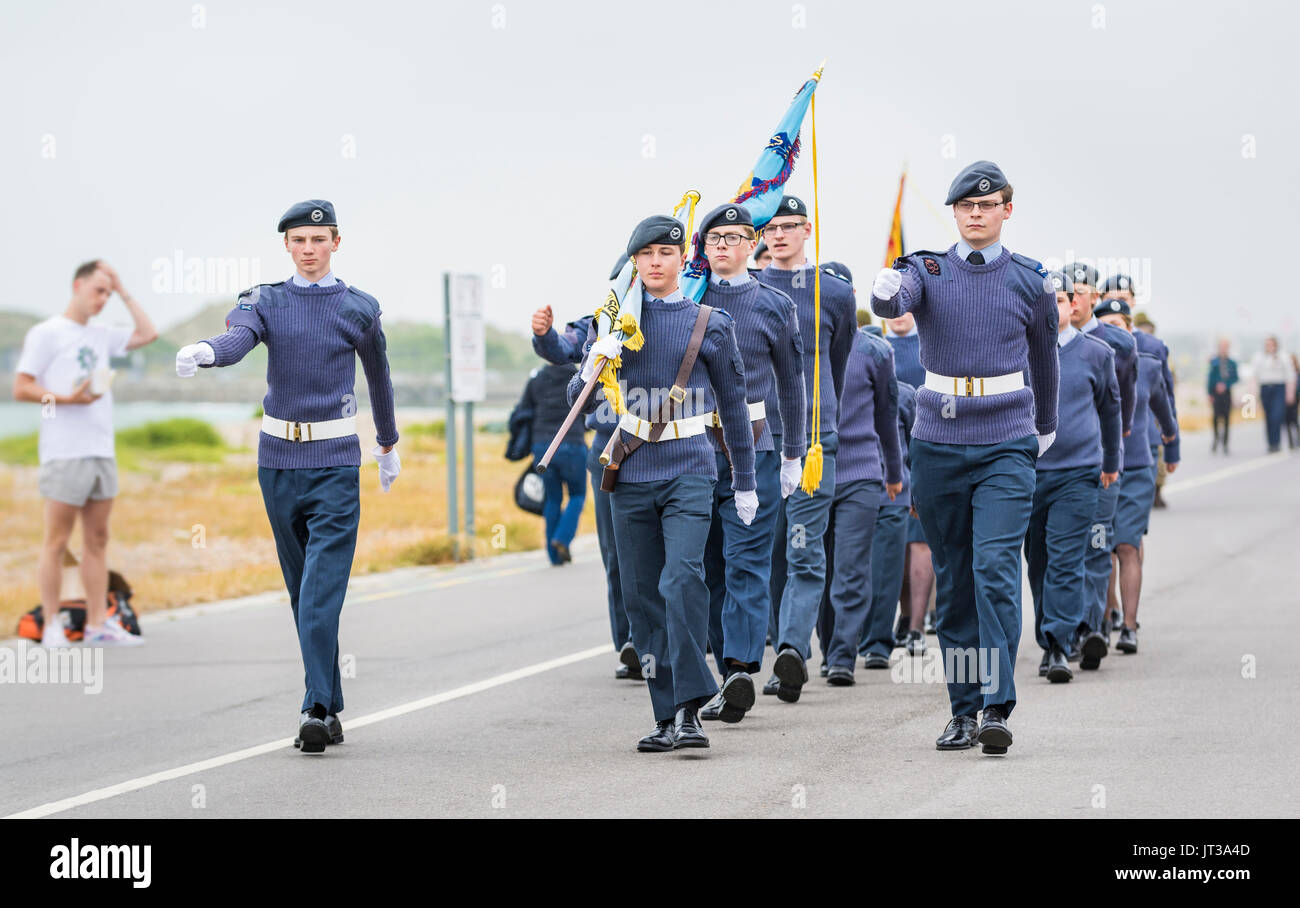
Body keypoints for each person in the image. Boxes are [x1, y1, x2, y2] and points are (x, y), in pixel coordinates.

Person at [174, 199, 400, 755]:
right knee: (303, 592)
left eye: (318, 240)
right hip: (276, 462)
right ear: (287, 246)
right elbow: (238, 339)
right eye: (298, 241)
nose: (308, 250)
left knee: (320, 592)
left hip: (335, 465)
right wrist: (207, 350)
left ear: (336, 243)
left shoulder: (358, 308)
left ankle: (315, 709)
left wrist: (387, 444)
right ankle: (331, 700)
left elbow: (380, 379)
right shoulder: (265, 301)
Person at [870, 161, 1059, 755]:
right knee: (953, 579)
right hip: (940, 439)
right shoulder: (928, 269)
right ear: (954, 213)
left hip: (1006, 437)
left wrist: (1044, 427)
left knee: (995, 567)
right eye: (965, 207)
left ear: (1007, 210)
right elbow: (897, 299)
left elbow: (1046, 358)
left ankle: (997, 704)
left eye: (987, 205)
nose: (975, 214)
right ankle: (963, 708)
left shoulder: (1030, 280)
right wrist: (883, 290)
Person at [568, 213, 756, 753]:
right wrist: (591, 366)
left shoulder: (710, 322)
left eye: (666, 254)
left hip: (691, 466)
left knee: (683, 580)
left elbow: (736, 411)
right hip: (629, 469)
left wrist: (744, 480)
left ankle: (692, 709)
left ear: (682, 261)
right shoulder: (613, 325)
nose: (655, 262)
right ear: (634, 263)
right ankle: (666, 711)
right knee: (643, 597)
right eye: (645, 255)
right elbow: (573, 406)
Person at [685, 204, 806, 725]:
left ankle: (739, 668)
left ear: (749, 243)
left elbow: (792, 384)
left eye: (735, 238)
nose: (723, 247)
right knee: (705, 568)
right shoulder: (686, 301)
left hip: (753, 451)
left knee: (747, 564)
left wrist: (793, 452)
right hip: (691, 451)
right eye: (714, 238)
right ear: (703, 245)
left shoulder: (774, 305)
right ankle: (720, 669)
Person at [13, 260, 158, 647]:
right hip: (64, 453)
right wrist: (66, 399)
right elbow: (21, 388)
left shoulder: (102, 334)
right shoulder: (46, 333)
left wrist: (124, 288)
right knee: (56, 542)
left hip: (101, 449)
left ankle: (97, 624)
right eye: (98, 290)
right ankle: (51, 625)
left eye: (108, 294)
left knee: (97, 539)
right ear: (77, 286)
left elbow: (148, 332)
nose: (103, 299)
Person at [757, 195, 857, 704]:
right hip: (757, 439)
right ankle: (778, 647)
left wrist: (823, 415)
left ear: (807, 229)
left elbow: (838, 361)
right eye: (770, 227)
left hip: (815, 441)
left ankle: (793, 649)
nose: (778, 235)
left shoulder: (834, 292)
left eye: (789, 226)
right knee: (769, 550)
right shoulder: (746, 289)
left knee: (804, 549)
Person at [531, 301, 641, 678]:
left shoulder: (684, 310)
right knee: (616, 553)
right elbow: (564, 348)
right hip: (609, 447)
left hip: (663, 445)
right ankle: (631, 644)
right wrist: (544, 335)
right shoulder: (603, 319)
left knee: (665, 554)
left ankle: (668, 639)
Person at [1025, 272, 1120, 682]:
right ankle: (1051, 631)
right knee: (1038, 560)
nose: (1058, 307)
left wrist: (1111, 461)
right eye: (1050, 301)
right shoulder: (1020, 353)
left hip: (1077, 473)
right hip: (1025, 472)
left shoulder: (1097, 354)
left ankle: (1057, 646)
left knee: (1066, 560)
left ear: (1074, 306)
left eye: (1064, 300)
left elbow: (1111, 410)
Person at [816, 325, 902, 682]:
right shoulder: (808, 344)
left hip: (861, 475)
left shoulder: (876, 352)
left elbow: (887, 416)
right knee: (817, 567)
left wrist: (894, 471)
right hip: (813, 473)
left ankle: (842, 654)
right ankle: (828, 646)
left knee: (851, 567)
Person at [1096, 298, 1177, 655]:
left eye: (1120, 323)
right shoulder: (1093, 362)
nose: (1115, 329)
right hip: (1099, 469)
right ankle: (1105, 615)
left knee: (1127, 545)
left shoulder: (1148, 365)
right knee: (1103, 547)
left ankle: (1129, 625)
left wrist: (1172, 450)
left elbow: (1166, 411)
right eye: (1106, 323)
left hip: (1138, 467)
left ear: (1130, 328)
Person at [1066, 264, 1138, 640]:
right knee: (1059, 552)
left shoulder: (1119, 344)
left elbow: (1122, 409)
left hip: (1100, 463)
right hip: (1057, 466)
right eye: (1068, 293)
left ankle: (1091, 626)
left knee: (1096, 542)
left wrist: (1111, 451)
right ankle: (1061, 629)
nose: (1075, 300)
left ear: (1095, 297)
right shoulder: (1045, 341)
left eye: (1082, 292)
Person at [884, 311, 936, 641]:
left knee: (920, 540)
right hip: (888, 452)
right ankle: (903, 618)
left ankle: (917, 622)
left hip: (926, 446)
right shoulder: (876, 345)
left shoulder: (929, 345)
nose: (899, 316)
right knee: (898, 545)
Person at [517, 362, 587, 565]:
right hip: (573, 443)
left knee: (552, 499)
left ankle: (553, 556)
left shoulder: (537, 377)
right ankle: (562, 539)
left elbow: (524, 411)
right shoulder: (579, 376)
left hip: (543, 447)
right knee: (577, 495)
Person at [1252, 335, 1295, 453]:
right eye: (1267, 344)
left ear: (1276, 345)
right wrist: (1252, 396)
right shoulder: (1259, 357)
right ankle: (1271, 443)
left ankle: (1277, 441)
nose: (1269, 347)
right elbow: (1254, 376)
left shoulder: (1283, 357)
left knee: (1277, 415)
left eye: (1271, 344)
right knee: (1268, 417)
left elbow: (1290, 376)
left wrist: (1290, 393)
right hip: (1265, 388)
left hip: (1279, 388)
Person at [1206, 339, 1238, 454]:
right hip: (1215, 393)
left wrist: (1226, 385)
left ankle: (1225, 443)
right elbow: (1209, 378)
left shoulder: (1232, 363)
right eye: (1221, 347)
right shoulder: (1214, 362)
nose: (1223, 349)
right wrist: (1209, 393)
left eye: (1225, 347)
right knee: (1215, 417)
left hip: (1226, 393)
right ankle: (1215, 439)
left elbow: (1235, 378)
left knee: (1226, 418)